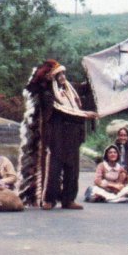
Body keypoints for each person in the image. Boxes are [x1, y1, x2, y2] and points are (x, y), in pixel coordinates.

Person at [19, 60, 98, 210]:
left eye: (63, 73)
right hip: (57, 134)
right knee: (54, 168)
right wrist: (84, 114)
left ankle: (68, 199)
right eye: (59, 74)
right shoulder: (48, 93)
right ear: (52, 77)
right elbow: (60, 110)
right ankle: (49, 199)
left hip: (74, 134)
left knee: (72, 168)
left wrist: (91, 73)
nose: (62, 76)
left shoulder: (72, 88)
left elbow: (87, 89)